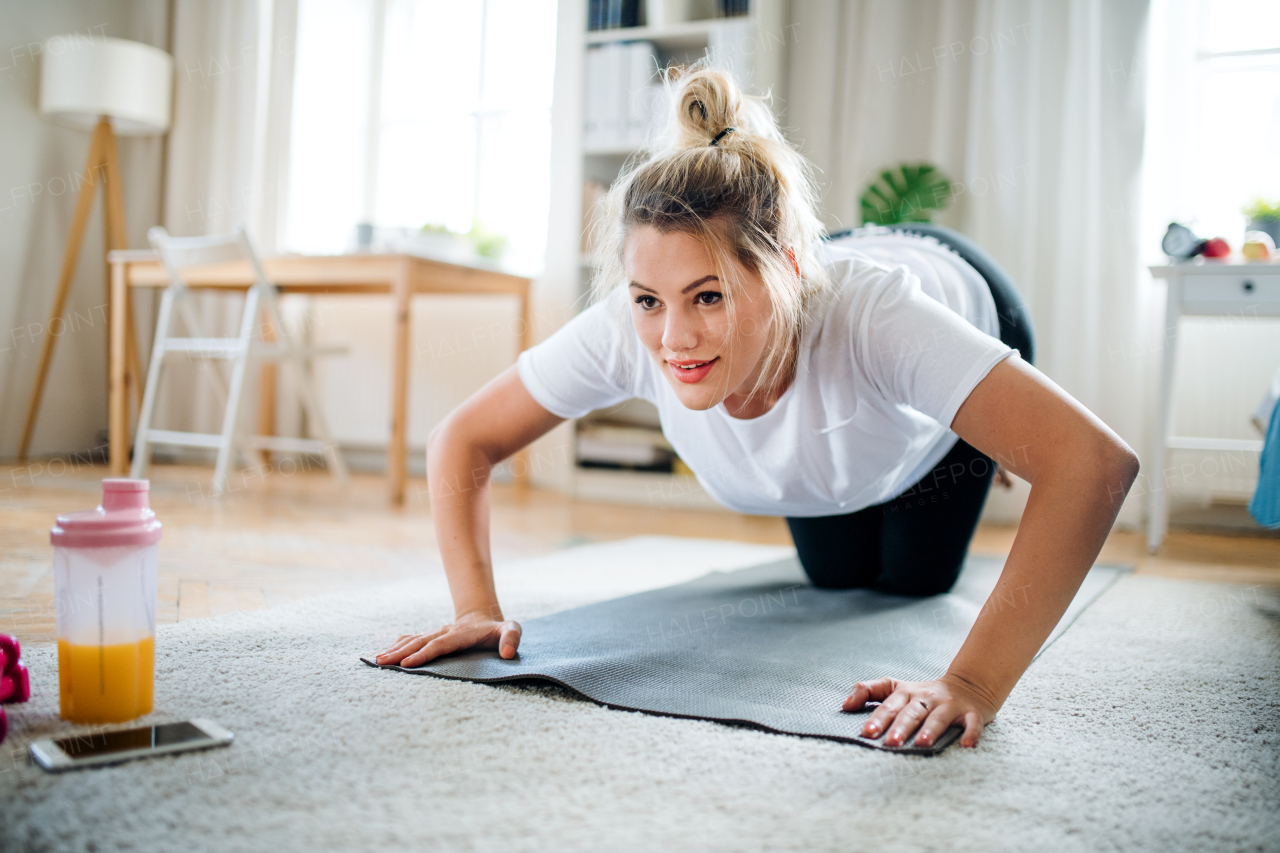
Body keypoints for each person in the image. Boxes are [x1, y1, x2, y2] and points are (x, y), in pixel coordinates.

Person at [376, 67, 1139, 750]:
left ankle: (970, 421)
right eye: (650, 299)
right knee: (837, 576)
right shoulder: (628, 328)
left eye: (707, 296)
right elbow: (462, 439)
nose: (674, 339)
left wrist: (972, 682)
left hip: (958, 298)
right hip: (811, 331)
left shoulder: (874, 318)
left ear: (790, 272)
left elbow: (1094, 464)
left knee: (910, 582)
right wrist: (475, 606)